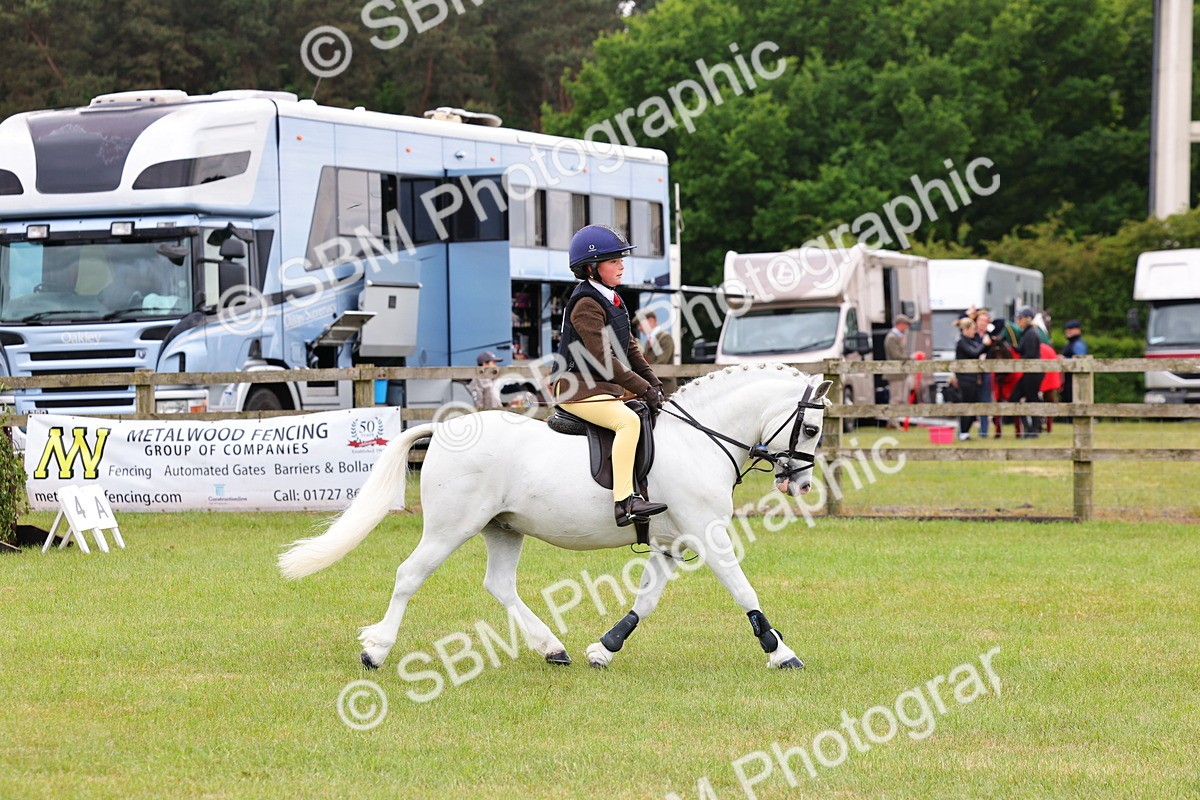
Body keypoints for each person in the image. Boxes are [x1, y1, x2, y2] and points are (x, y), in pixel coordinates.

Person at [554, 224, 668, 527]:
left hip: (598, 386)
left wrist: (654, 384)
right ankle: (625, 503)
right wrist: (642, 387)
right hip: (575, 388)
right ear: (592, 268)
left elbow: (630, 348)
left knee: (645, 411)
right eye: (613, 261)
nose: (621, 265)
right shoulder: (586, 304)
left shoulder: (613, 299)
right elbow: (604, 359)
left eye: (621, 259)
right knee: (627, 421)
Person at [1010, 306, 1044, 437]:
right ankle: (1030, 427)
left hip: (1033, 371)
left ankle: (1033, 429)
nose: (1018, 321)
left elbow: (1029, 354)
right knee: (1018, 397)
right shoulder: (1028, 333)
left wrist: (1017, 361)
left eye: (1020, 319)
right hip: (1030, 371)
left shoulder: (1030, 334)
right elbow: (1021, 350)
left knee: (1031, 398)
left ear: (1027, 319)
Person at [954, 316, 987, 440]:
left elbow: (977, 351)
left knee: (972, 406)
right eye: (973, 329)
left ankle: (965, 432)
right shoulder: (962, 342)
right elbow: (974, 353)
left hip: (971, 378)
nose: (974, 332)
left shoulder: (968, 341)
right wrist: (984, 344)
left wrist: (986, 345)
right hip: (965, 379)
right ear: (966, 329)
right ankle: (963, 433)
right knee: (967, 406)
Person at [637, 311, 676, 395]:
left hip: (665, 388)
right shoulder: (650, 341)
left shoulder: (664, 338)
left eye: (640, 324)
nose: (639, 328)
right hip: (654, 387)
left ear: (650, 321)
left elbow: (661, 362)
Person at [883, 313, 911, 429]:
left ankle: (893, 421)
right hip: (894, 373)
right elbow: (896, 355)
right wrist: (910, 357)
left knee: (900, 398)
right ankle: (893, 422)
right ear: (901, 324)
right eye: (906, 325)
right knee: (895, 398)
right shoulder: (892, 338)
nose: (907, 328)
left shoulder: (898, 337)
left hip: (900, 373)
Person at [971, 307, 993, 436]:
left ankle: (984, 431)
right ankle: (964, 430)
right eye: (980, 320)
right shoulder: (971, 336)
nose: (982, 323)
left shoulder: (990, 337)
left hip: (985, 372)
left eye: (985, 320)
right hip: (972, 372)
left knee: (985, 400)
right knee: (969, 400)